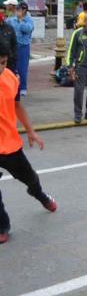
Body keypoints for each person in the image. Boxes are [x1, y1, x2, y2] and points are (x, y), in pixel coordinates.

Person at [0, 41, 57, 244]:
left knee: (30, 179)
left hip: (10, 145)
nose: (0, 68)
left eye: (3, 63)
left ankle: (41, 196)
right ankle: (2, 226)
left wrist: (31, 131)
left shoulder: (11, 79)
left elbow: (17, 107)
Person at [7, 2, 33, 96]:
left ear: (24, 10)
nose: (17, 11)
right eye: (17, 9)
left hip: (23, 48)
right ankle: (11, 87)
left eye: (19, 9)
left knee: (22, 69)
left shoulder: (29, 20)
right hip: (12, 47)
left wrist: (21, 20)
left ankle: (22, 88)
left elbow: (27, 29)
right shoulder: (11, 20)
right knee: (12, 68)